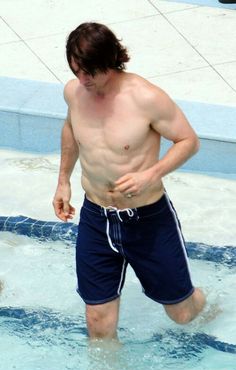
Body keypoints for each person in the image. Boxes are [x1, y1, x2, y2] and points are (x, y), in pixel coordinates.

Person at [53, 22, 206, 340]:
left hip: (146, 219)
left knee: (182, 314)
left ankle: (205, 302)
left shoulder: (145, 97)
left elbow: (188, 140)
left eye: (89, 72)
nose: (82, 80)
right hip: (96, 216)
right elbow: (71, 130)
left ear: (110, 61)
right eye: (76, 70)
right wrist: (63, 181)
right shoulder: (74, 92)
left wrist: (151, 173)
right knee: (97, 322)